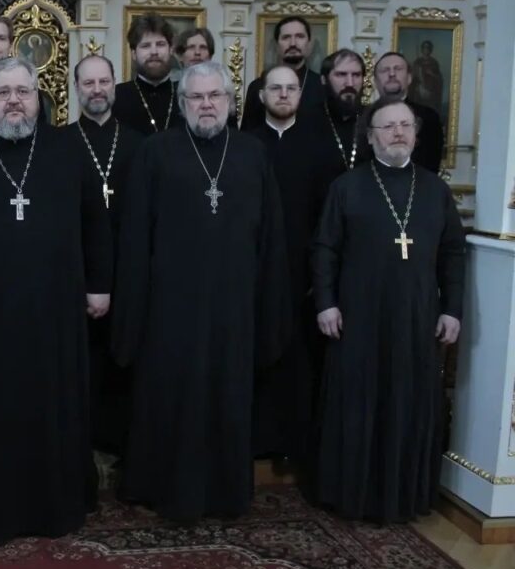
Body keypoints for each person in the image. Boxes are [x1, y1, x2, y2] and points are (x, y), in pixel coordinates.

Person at [113, 61, 291, 523]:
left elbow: (270, 238)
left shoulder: (252, 153)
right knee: (172, 397)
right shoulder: (156, 152)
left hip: (235, 305)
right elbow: (135, 236)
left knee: (227, 398)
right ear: (183, 103)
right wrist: (134, 309)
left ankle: (225, 493)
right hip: (169, 306)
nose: (206, 105)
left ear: (230, 102)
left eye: (215, 96)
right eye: (196, 97)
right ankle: (164, 488)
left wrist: (268, 304)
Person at [0, 56, 112, 544]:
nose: (14, 101)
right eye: (3, 92)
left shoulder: (68, 151)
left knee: (55, 404)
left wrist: (99, 284)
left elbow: (96, 223)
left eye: (23, 91)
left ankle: (58, 504)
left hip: (56, 308)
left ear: (39, 98)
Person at [312, 97, 465, 522]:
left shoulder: (435, 190)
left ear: (416, 134)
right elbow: (324, 249)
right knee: (359, 402)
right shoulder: (347, 187)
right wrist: (326, 303)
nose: (398, 132)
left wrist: (452, 309)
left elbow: (453, 253)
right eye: (388, 126)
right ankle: (352, 495)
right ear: (371, 136)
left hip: (417, 316)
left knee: (407, 403)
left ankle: (404, 496)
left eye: (405, 125)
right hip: (358, 316)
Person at [62, 54, 145, 467]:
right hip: (73, 271)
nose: (97, 90)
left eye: (104, 82)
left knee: (122, 361)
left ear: (115, 84)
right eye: (88, 83)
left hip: (128, 268)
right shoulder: (59, 143)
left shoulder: (139, 144)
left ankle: (117, 450)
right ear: (76, 88)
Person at [247, 65, 328, 463]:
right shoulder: (244, 145)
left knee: (296, 360)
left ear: (301, 95)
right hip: (250, 271)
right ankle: (253, 441)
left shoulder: (321, 149)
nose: (283, 94)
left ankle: (291, 446)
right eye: (275, 88)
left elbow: (328, 219)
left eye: (290, 88)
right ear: (261, 95)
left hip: (301, 273)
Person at [240, 16, 325, 131]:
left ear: (309, 43)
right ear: (276, 45)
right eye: (286, 37)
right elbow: (247, 134)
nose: (293, 43)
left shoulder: (322, 86)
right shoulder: (258, 86)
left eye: (300, 36)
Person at [374, 51, 445, 172]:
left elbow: (431, 167)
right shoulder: (363, 116)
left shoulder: (429, 118)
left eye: (398, 69)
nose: (392, 74)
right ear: (375, 81)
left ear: (409, 78)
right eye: (385, 70)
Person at [113, 12, 179, 134]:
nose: (154, 52)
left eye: (160, 44)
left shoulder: (187, 96)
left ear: (171, 50)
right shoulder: (115, 97)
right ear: (133, 54)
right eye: (146, 46)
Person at [410, 40, 445, 116]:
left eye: (428, 48)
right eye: (424, 48)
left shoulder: (434, 62)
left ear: (430, 50)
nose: (426, 50)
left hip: (431, 92)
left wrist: (431, 74)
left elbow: (439, 78)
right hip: (419, 91)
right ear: (422, 49)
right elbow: (413, 77)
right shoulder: (417, 61)